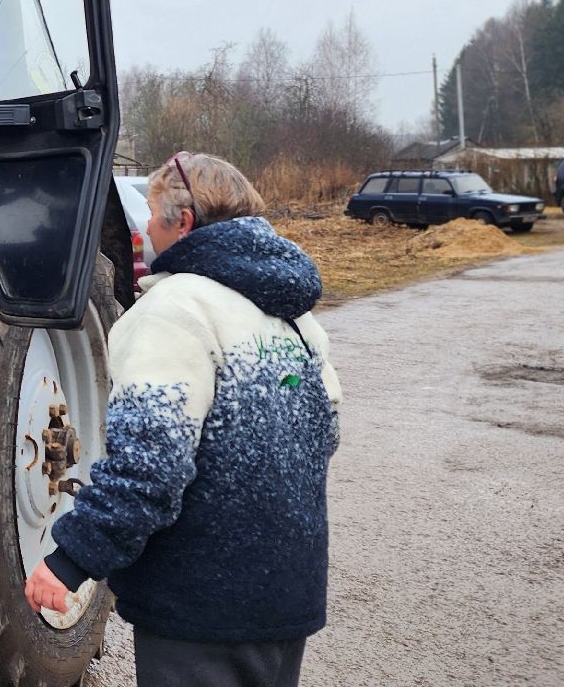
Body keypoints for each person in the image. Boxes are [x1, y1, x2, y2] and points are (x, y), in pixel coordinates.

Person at [24, 152, 341, 687]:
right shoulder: (294, 317)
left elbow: (149, 469)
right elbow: (324, 432)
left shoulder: (174, 312)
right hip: (287, 597)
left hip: (202, 607)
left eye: (150, 214)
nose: (144, 227)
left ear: (184, 222)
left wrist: (71, 560)